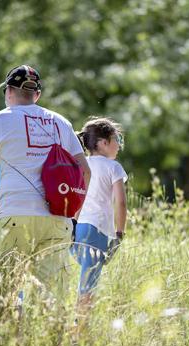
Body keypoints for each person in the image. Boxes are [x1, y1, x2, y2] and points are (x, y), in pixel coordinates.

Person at [0, 64, 91, 300]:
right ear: (37, 95)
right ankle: (52, 338)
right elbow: (85, 171)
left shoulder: (2, 119)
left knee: (6, 297)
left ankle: (11, 336)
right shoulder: (62, 122)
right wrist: (73, 214)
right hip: (58, 218)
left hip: (15, 215)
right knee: (52, 302)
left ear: (8, 92)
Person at [71, 117, 127, 331]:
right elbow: (120, 203)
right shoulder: (113, 167)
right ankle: (80, 332)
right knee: (88, 285)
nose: (119, 144)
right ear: (103, 143)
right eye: (116, 139)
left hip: (77, 227)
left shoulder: (80, 164)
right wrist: (119, 233)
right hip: (98, 231)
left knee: (84, 279)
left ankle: (78, 328)